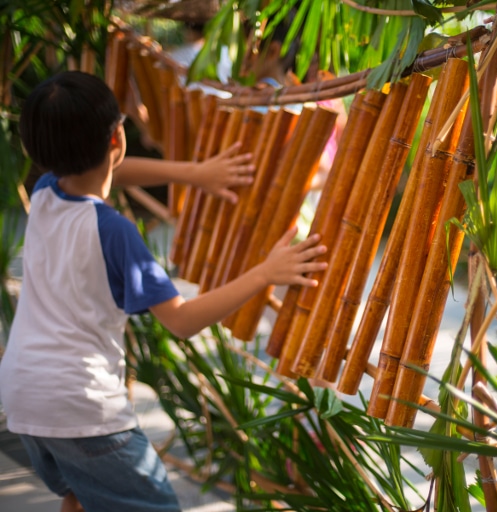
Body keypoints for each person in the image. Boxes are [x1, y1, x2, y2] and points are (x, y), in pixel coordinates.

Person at [0, 70, 327, 512]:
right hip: (81, 407)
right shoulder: (113, 232)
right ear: (118, 137)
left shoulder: (43, 193)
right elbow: (182, 320)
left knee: (80, 493)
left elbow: (102, 168)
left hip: (23, 397)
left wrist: (194, 174)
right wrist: (264, 273)